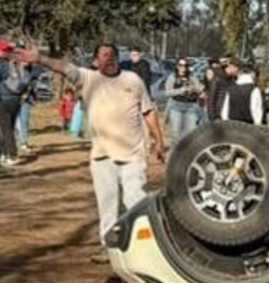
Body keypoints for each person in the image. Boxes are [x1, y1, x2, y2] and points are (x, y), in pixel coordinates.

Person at [11, 43, 166, 263]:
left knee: (136, 203)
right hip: (102, 157)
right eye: (104, 55)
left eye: (112, 55)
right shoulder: (88, 79)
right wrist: (40, 59)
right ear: (95, 61)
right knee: (107, 206)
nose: (109, 59)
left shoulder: (133, 80)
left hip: (132, 155)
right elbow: (64, 67)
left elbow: (148, 111)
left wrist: (159, 141)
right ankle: (109, 249)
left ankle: (142, 250)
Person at [0, 57, 38, 167]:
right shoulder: (24, 71)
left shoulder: (7, 66)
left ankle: (11, 155)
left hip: (5, 100)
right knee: (8, 128)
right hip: (16, 101)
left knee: (6, 129)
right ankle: (4, 154)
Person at [164, 58, 204, 149]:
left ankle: (187, 156)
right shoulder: (172, 77)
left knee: (190, 133)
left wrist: (193, 88)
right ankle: (175, 155)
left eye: (185, 66)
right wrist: (181, 90)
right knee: (175, 134)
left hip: (191, 107)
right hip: (176, 107)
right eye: (180, 65)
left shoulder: (192, 77)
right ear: (177, 66)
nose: (183, 68)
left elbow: (200, 88)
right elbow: (167, 92)